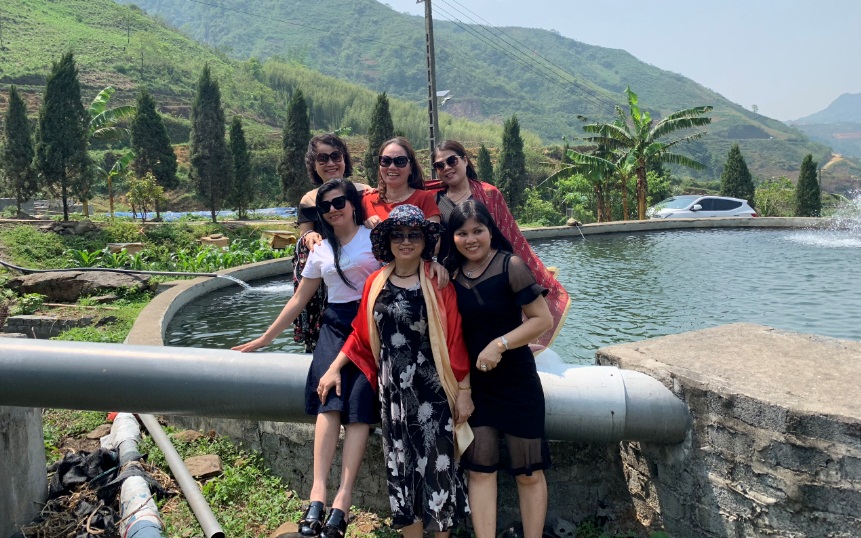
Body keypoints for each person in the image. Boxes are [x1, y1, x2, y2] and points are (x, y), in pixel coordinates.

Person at [233, 179, 380, 538]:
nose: (332, 210)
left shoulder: (374, 239)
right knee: (328, 401)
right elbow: (300, 299)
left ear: (353, 203)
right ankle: (317, 494)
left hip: (369, 325)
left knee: (359, 406)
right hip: (334, 326)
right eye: (325, 206)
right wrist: (265, 338)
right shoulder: (321, 250)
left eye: (339, 202)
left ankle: (343, 500)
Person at [318, 204, 473, 538]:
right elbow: (361, 334)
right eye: (398, 235)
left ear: (424, 241)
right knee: (402, 471)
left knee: (438, 468)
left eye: (414, 235)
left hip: (434, 393)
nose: (406, 241)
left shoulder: (437, 282)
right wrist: (334, 368)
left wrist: (464, 391)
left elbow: (455, 340)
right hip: (394, 398)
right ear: (387, 241)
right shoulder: (375, 282)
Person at [445, 200, 554, 538]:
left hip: (517, 382)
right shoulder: (451, 275)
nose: (471, 239)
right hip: (476, 388)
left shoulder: (511, 266)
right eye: (462, 233)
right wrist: (463, 389)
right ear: (453, 238)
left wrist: (500, 344)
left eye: (477, 230)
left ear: (490, 231)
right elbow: (452, 337)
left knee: (528, 472)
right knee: (480, 470)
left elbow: (542, 320)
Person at [431, 140, 569, 349]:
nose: (447, 168)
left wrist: (510, 273)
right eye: (440, 165)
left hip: (490, 277)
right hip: (452, 279)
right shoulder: (434, 199)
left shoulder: (488, 194)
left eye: (452, 161)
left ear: (465, 160)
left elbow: (509, 234)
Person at [293, 134, 370, 352]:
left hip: (359, 269)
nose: (330, 163)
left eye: (336, 156)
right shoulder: (309, 199)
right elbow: (306, 232)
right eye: (322, 158)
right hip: (324, 271)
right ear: (314, 164)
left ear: (344, 159)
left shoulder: (365, 191)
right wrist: (309, 236)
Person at [362, 137, 441, 229]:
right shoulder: (367, 201)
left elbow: (433, 236)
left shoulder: (424, 199)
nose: (392, 167)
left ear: (411, 168)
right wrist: (364, 225)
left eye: (400, 161)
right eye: (386, 161)